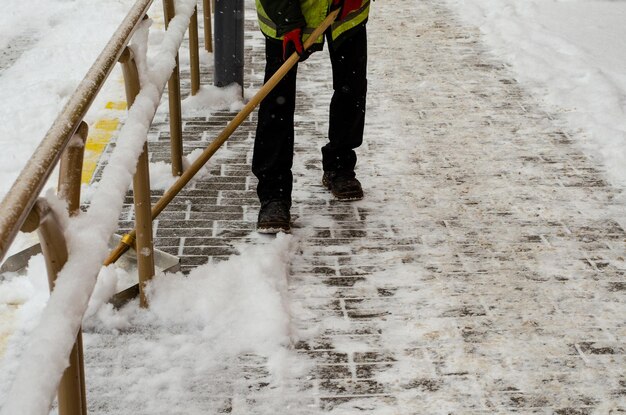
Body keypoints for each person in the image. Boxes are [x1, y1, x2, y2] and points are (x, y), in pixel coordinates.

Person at [253, 0, 370, 233]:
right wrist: (288, 21)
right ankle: (273, 193)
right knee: (277, 101)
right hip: (285, 15)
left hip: (346, 13)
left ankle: (340, 165)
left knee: (351, 89)